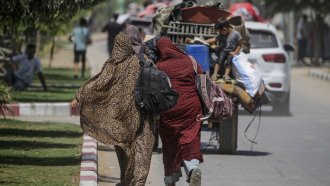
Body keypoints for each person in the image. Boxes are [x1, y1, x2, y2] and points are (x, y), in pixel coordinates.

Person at [70, 25, 154, 186]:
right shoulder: (146, 61)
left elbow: (98, 83)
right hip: (144, 115)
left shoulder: (113, 65)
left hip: (121, 117)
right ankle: (138, 182)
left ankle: (126, 180)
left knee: (123, 149)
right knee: (142, 150)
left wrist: (79, 95)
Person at [155, 37, 203, 186]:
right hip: (191, 107)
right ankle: (192, 169)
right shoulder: (191, 61)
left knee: (170, 142)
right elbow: (202, 79)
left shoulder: (158, 66)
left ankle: (170, 176)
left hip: (169, 109)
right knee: (191, 139)